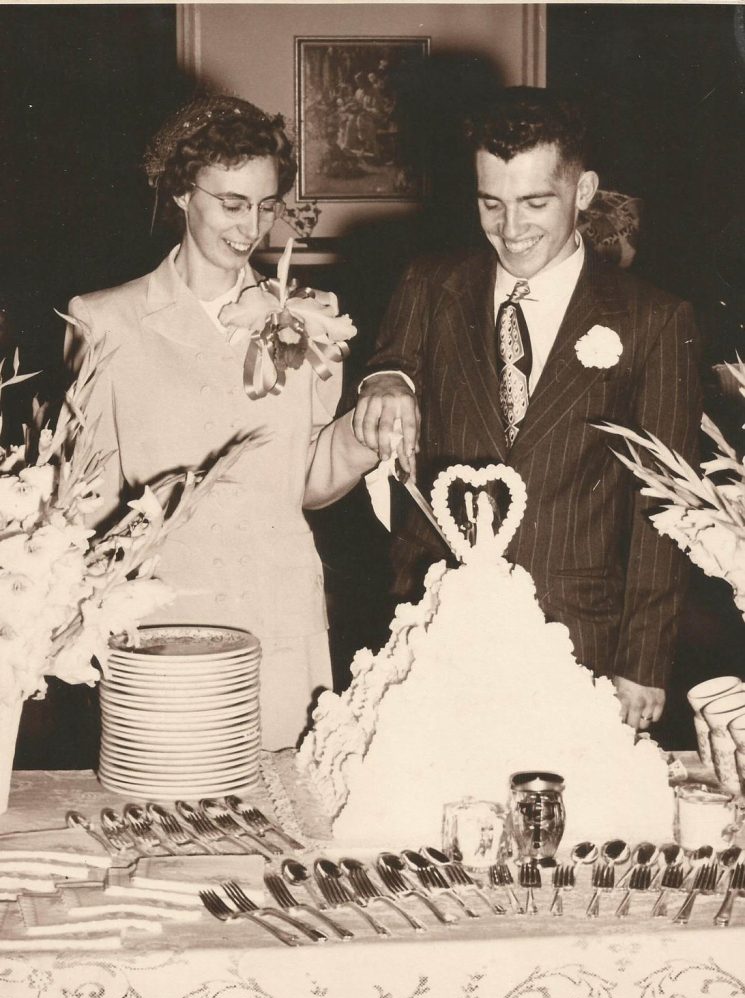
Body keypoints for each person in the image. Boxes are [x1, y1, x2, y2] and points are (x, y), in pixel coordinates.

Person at [353, 86, 702, 733]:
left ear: (583, 189)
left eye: (534, 203)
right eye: (492, 203)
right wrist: (387, 379)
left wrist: (644, 660)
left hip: (576, 635)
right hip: (434, 620)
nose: (510, 230)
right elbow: (390, 360)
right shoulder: (428, 284)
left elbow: (664, 508)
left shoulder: (653, 319)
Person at [64, 95, 377, 749]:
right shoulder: (104, 322)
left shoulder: (310, 318)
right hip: (161, 619)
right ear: (182, 193)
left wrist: (358, 437)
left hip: (279, 612)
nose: (251, 227)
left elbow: (307, 482)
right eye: (232, 204)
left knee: (279, 819)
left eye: (265, 206)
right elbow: (86, 500)